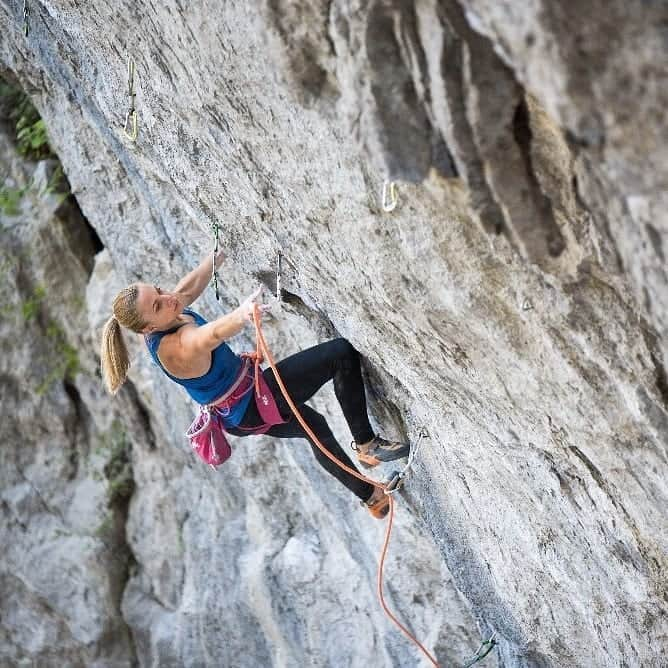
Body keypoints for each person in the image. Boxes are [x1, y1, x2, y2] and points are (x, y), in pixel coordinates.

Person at [100, 251, 410, 519]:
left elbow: (185, 289)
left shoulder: (166, 312)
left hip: (244, 405)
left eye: (158, 290)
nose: (166, 298)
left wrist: (215, 257)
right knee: (339, 354)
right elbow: (208, 336)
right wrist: (241, 315)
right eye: (156, 304)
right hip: (250, 405)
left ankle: (371, 498)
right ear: (149, 328)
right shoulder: (174, 348)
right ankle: (368, 445)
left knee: (313, 425)